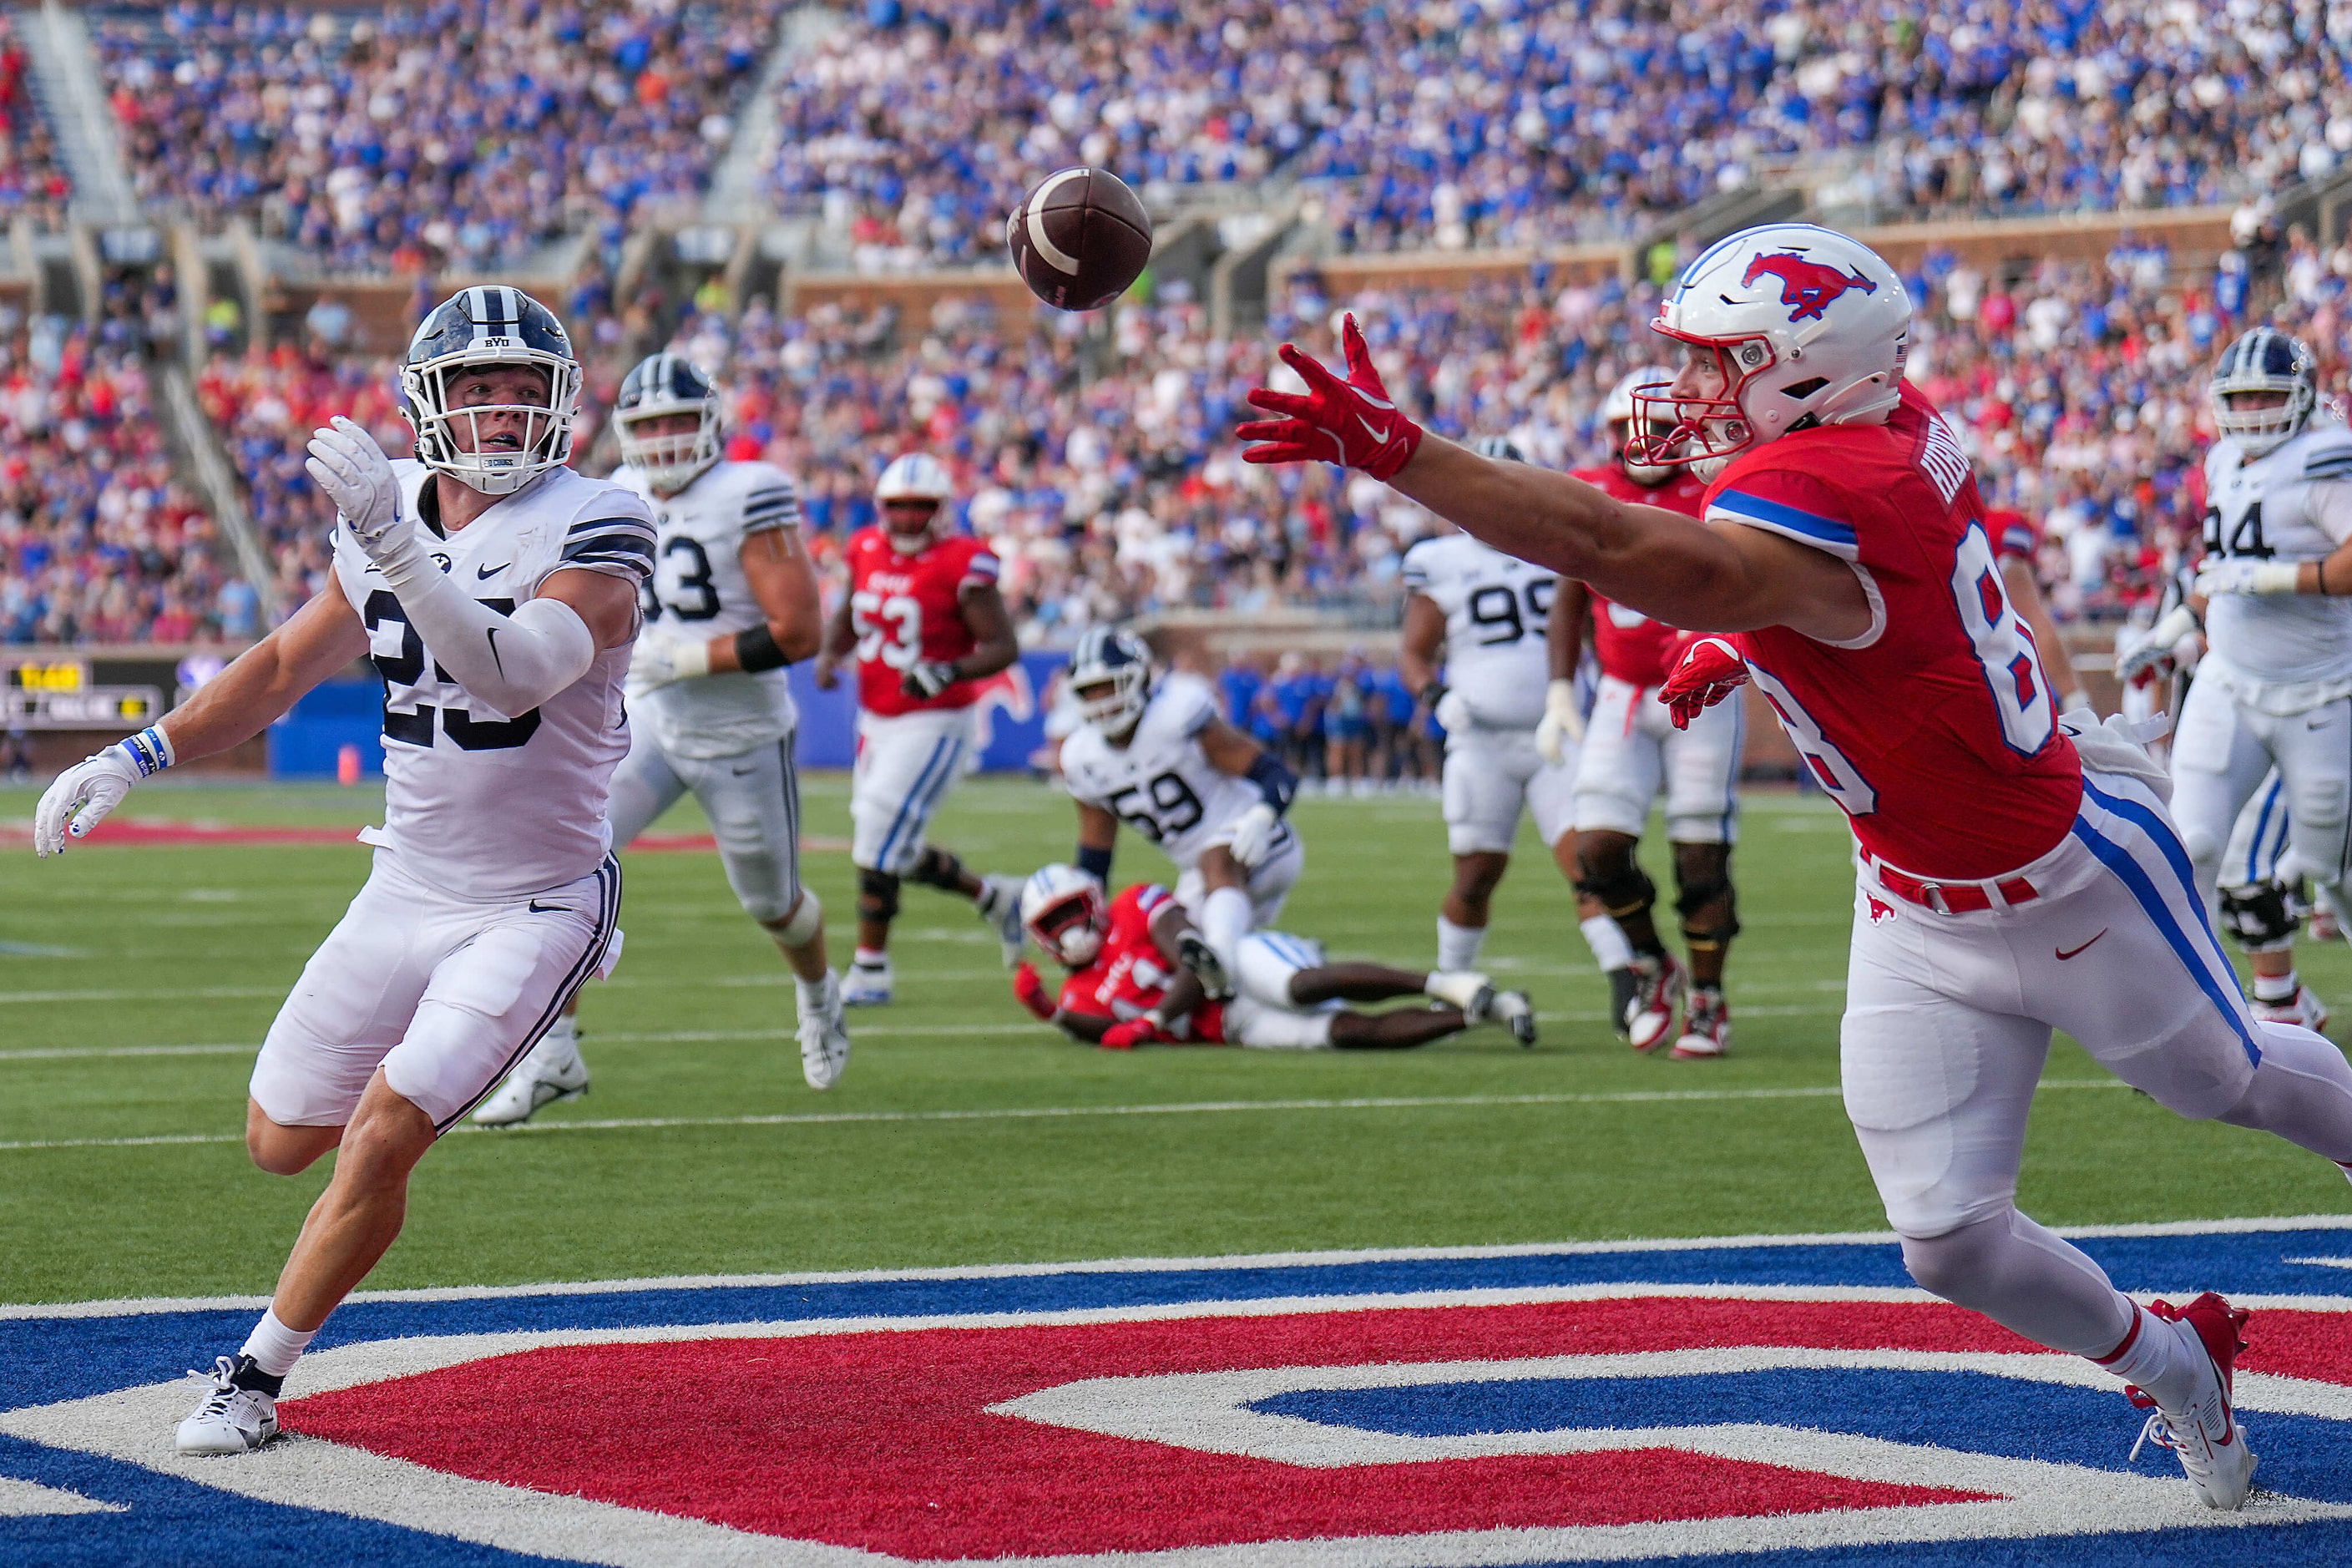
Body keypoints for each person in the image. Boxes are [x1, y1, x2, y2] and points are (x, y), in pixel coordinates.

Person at [1237, 222, 2352, 1514]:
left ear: (1812, 372)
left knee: (2236, 1079)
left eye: (1724, 364)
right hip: (1911, 900)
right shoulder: (1872, 424)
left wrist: (1403, 453)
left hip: (2069, 877)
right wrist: (1756, 643)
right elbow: (1837, 607)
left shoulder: (1836, 484)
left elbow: (1620, 549)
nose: (1693, 391)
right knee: (1946, 1241)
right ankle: (2177, 1361)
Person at [33, 287, 655, 1454]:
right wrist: (138, 750)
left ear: (564, 399)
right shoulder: (392, 520)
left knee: (384, 1128)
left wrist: (396, 546)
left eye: (525, 385)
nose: (505, 408)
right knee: (280, 1138)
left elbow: (516, 671)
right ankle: (433, 1087)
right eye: (478, 386)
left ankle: (254, 1376)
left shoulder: (602, 519)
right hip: (408, 878)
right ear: (429, 402)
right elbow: (278, 668)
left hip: (539, 896)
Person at [473, 352, 847, 1125]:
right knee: (562, 871)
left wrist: (694, 655)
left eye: (681, 420)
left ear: (711, 423)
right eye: (651, 425)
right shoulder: (615, 494)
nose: (668, 438)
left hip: (738, 732)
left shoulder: (750, 491)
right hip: (643, 723)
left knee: (773, 903)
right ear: (626, 432)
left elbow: (801, 632)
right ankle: (553, 1055)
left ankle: (817, 995)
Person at [2154, 328, 2352, 1033]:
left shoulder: (2324, 456)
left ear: (2300, 397)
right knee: (2192, 845)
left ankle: (2283, 992)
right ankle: (2194, 1018)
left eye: (2268, 394)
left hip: (2320, 693)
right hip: (2228, 680)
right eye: (2240, 397)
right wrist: (2176, 625)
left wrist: (2277, 578)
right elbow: (2224, 563)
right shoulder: (2223, 459)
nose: (2254, 409)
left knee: (2331, 869)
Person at [1399, 434, 1628, 1024]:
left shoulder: (1562, 545)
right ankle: (1450, 985)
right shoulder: (1440, 560)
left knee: (1588, 863)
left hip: (1558, 731)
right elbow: (1413, 654)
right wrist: (1435, 695)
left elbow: (1595, 627)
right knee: (1474, 876)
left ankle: (1627, 984)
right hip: (1481, 741)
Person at [1552, 372, 1739, 1057]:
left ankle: (1709, 1001)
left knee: (1700, 857)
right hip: (1621, 692)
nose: (1647, 440)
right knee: (1595, 848)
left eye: (1662, 428)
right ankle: (1649, 963)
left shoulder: (1718, 490)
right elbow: (1569, 598)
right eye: (1635, 427)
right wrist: (1557, 689)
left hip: (1704, 695)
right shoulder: (1589, 490)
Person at [814, 452, 1026, 1004]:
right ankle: (995, 897)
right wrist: (832, 653)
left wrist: (947, 670)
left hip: (935, 720)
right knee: (888, 845)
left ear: (940, 510)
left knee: (877, 834)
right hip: (876, 717)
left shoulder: (963, 562)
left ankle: (871, 969)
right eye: (899, 508)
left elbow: (1003, 646)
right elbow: (849, 610)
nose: (908, 519)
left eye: (919, 508)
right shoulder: (863, 546)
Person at [1009, 865, 1531, 1050]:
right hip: (1231, 1024)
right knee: (1345, 1035)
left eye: (1071, 912)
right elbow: (1101, 1031)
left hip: (1236, 964)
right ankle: (1481, 1012)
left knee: (1301, 986)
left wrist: (1156, 1019)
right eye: (1054, 924)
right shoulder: (1078, 995)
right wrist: (1053, 1014)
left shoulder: (1132, 904)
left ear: (1093, 904)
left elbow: (1199, 959)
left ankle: (1446, 984)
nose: (1070, 930)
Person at [1056, 625, 1302, 1000]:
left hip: (1260, 842)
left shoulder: (1175, 713)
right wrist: (1083, 924)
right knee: (1171, 959)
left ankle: (1220, 955)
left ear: (1138, 680)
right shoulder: (1082, 758)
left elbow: (1275, 773)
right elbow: (1095, 857)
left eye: (1110, 686)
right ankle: (1285, 977)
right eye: (1091, 691)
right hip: (1201, 879)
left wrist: (1262, 817)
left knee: (1214, 864)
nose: (1102, 700)